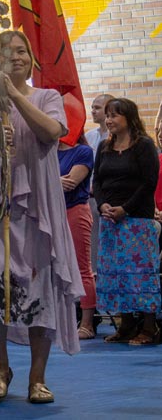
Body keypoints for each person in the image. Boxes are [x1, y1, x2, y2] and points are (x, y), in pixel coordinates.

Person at [0, 30, 83, 404]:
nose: (15, 57)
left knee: (37, 285)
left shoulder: (47, 97)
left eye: (21, 51)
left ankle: (37, 376)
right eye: (5, 52)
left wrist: (14, 95)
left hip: (36, 209)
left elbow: (51, 134)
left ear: (31, 58)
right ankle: (0, 368)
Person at [92, 97, 160, 345]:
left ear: (129, 118)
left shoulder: (144, 145)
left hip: (137, 221)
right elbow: (97, 181)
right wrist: (102, 205)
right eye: (107, 115)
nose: (108, 120)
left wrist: (126, 209)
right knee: (116, 274)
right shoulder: (104, 147)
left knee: (140, 275)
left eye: (114, 116)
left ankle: (149, 327)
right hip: (110, 221)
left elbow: (148, 183)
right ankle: (126, 326)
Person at [57, 135, 97, 339]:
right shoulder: (48, 152)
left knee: (81, 267)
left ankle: (87, 323)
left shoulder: (83, 151)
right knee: (52, 267)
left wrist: (48, 182)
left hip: (75, 210)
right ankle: (57, 319)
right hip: (52, 212)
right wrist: (55, 181)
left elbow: (71, 183)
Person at [84, 93, 113, 272]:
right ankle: (93, 273)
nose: (92, 111)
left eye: (97, 107)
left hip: (108, 197)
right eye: (92, 107)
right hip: (88, 195)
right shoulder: (89, 136)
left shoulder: (117, 137)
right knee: (91, 242)